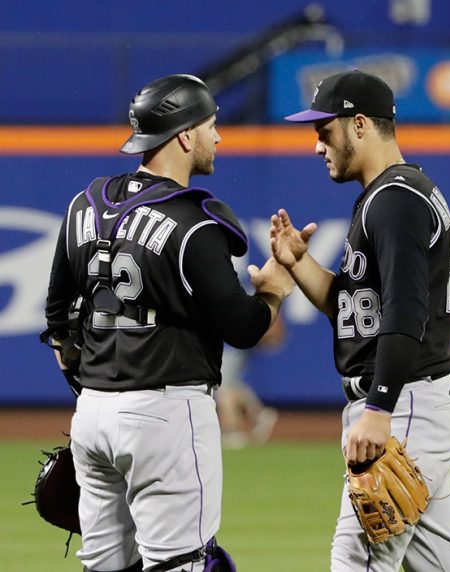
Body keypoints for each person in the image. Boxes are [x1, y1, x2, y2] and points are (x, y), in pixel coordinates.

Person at [43, 74, 294, 571]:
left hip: (92, 414)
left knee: (105, 568)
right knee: (184, 564)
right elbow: (244, 328)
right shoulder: (193, 221)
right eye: (211, 125)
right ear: (183, 135)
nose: (218, 137)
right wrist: (273, 290)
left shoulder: (84, 205)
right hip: (165, 414)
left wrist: (91, 391)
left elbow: (58, 321)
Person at [274, 70, 450, 571]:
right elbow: (355, 310)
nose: (317, 145)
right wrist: (299, 263)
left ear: (359, 124)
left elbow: (407, 313)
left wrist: (379, 408)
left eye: (325, 131)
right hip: (413, 401)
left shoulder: (396, 201)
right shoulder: (391, 195)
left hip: (403, 403)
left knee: (356, 560)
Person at [216, 314, 284, 448]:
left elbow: (276, 326)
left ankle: (232, 430)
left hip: (230, 345)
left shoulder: (248, 293)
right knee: (229, 384)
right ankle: (258, 413)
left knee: (222, 387)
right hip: (229, 343)